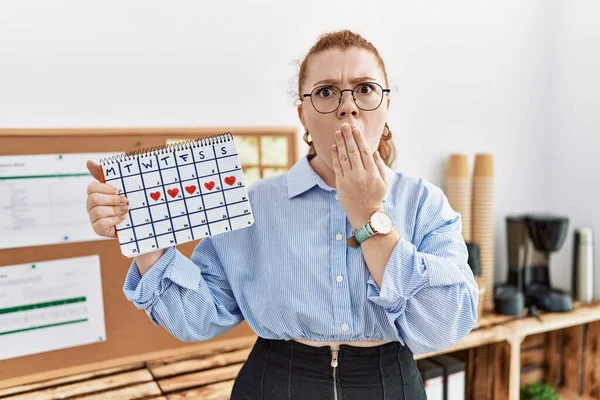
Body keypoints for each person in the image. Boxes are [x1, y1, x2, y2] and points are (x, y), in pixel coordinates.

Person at [86, 30, 478, 399]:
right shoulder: (254, 205)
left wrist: (368, 213)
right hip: (275, 384)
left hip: (390, 384)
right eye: (326, 92)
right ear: (303, 115)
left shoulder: (425, 202)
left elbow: (444, 326)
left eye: (365, 89)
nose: (347, 107)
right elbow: (199, 319)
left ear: (386, 105)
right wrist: (144, 234)